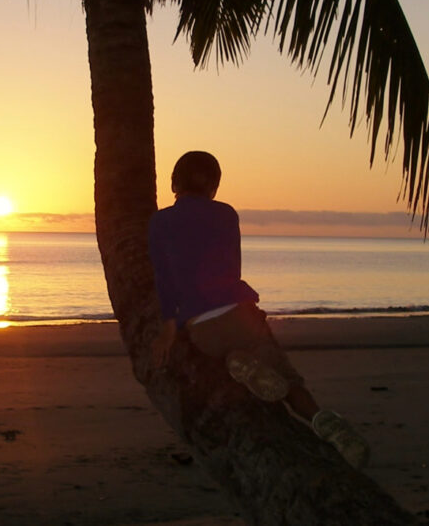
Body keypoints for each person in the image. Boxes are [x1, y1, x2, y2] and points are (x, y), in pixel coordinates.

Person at [148, 151, 369, 468]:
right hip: (241, 315)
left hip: (202, 328)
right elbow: (231, 269)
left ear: (173, 184)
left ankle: (233, 362)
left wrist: (169, 327)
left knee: (216, 359)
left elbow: (164, 280)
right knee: (289, 382)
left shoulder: (160, 222)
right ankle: (323, 420)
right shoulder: (226, 215)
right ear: (214, 186)